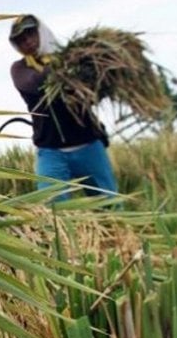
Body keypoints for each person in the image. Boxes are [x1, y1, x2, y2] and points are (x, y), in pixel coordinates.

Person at [8, 14, 117, 201]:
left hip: (88, 145)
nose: (27, 42)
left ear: (41, 32)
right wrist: (66, 65)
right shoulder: (21, 69)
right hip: (51, 151)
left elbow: (94, 92)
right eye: (21, 40)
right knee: (54, 212)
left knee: (110, 205)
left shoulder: (73, 61)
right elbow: (34, 82)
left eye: (30, 34)